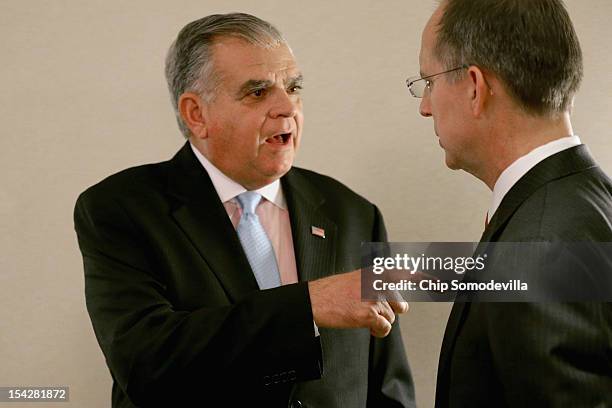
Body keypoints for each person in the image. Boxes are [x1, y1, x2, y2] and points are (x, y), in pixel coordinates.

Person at [74, 13, 415, 408]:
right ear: (196, 114)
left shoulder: (354, 212)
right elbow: (145, 363)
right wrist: (306, 307)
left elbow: (388, 388)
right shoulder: (122, 207)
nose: (287, 107)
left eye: (293, 87)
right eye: (258, 92)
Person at [407, 0, 612, 406]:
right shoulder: (589, 198)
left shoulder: (537, 246)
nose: (424, 106)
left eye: (428, 81)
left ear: (474, 86)